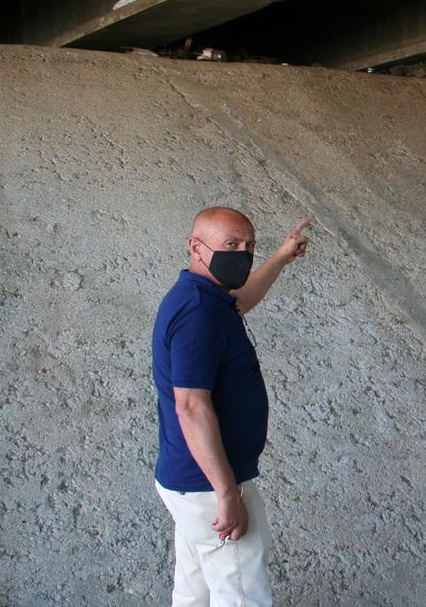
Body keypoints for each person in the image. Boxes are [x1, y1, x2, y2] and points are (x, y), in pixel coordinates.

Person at [152, 206, 311, 606]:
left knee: (194, 589)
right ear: (196, 247)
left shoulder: (206, 297)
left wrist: (280, 256)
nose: (242, 253)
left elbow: (241, 299)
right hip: (209, 484)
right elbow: (190, 405)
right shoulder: (197, 313)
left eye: (249, 245)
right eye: (231, 244)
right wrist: (226, 493)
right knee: (242, 593)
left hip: (191, 480)